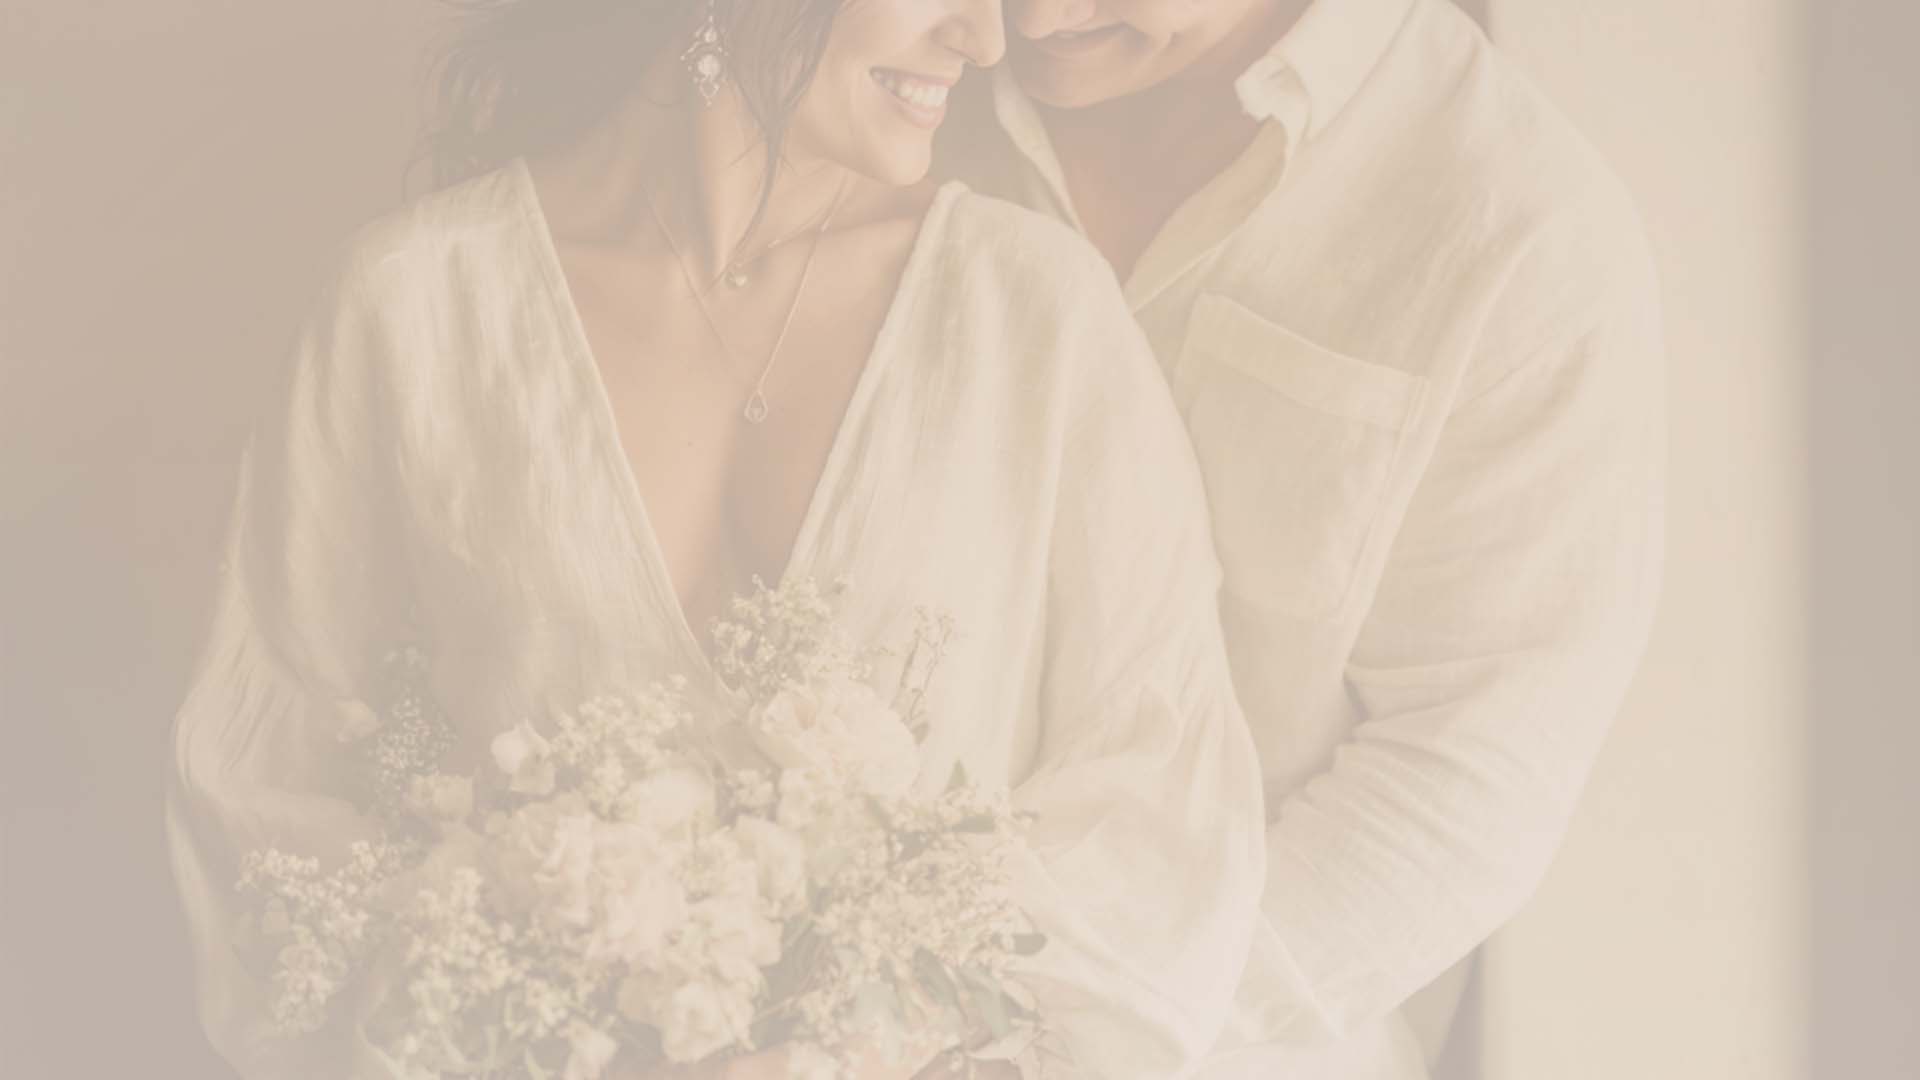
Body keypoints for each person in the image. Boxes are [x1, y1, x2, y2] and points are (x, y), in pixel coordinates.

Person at [164, 2, 1269, 1078]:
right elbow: (265, 780)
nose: (986, 39)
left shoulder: (1032, 312)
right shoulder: (416, 307)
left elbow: (1163, 793)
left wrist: (885, 1052)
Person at [937, 0, 1667, 1075]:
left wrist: (1046, 1047)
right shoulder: (899, 86)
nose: (1036, 15)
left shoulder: (1520, 230)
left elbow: (1463, 782)